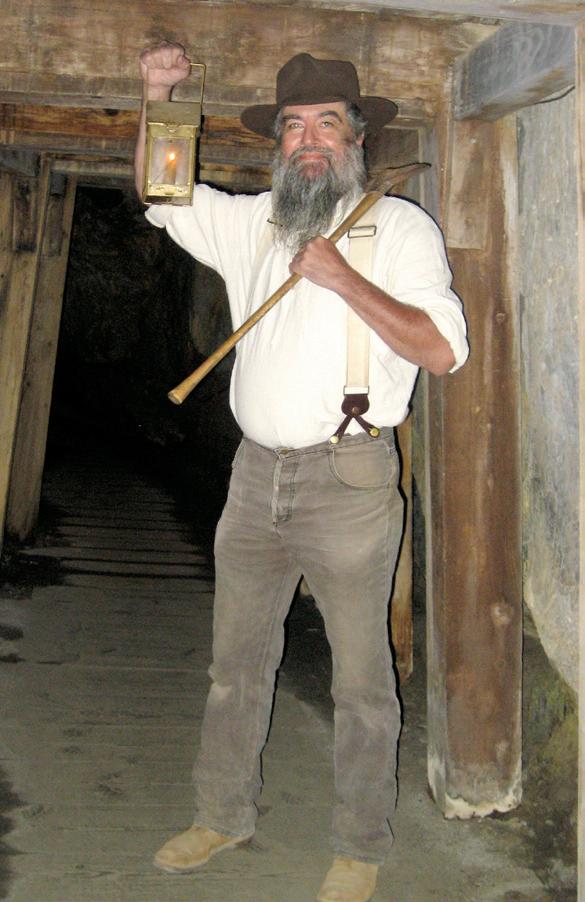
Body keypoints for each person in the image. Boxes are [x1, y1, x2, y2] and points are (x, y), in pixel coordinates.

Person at [135, 43, 468, 902]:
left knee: (360, 681)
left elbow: (440, 351)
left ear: (356, 136)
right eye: (293, 126)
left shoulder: (399, 230)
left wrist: (343, 277)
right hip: (254, 479)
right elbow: (162, 191)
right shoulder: (254, 223)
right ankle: (221, 814)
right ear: (277, 143)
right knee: (234, 664)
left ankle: (359, 844)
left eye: (326, 123)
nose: (308, 139)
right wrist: (159, 93)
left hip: (348, 479)